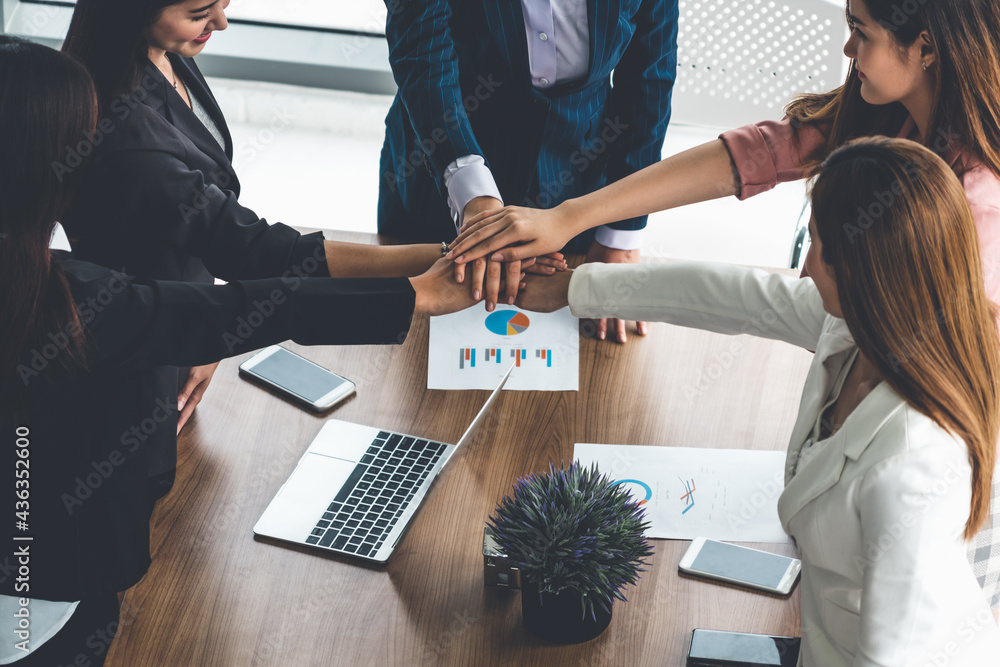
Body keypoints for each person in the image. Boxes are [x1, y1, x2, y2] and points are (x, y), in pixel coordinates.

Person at [448, 0, 1000, 609]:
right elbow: (762, 154)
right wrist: (572, 225)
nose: (846, 51)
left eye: (858, 33)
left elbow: (788, 308)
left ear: (925, 47)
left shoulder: (974, 212)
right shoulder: (888, 114)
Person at [0, 36, 479, 665]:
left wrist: (424, 275)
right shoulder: (58, 299)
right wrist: (416, 296)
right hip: (41, 612)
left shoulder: (46, 284)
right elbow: (237, 310)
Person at [515, 136, 1000, 664]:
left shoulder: (915, 464)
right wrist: (571, 289)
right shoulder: (855, 326)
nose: (804, 268)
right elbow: (729, 295)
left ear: (861, 268)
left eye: (814, 244)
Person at [59, 0, 491, 502]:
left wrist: (206, 340)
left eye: (223, 3)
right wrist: (434, 268)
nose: (221, 22)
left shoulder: (160, 53)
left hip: (190, 333)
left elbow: (203, 227)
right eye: (201, 11)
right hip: (142, 372)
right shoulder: (126, 136)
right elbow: (256, 250)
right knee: (152, 527)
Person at [379, 0, 678, 340]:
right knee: (409, 351)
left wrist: (620, 233)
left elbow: (650, 75)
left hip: (580, 184)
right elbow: (422, 53)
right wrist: (476, 201)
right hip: (440, 166)